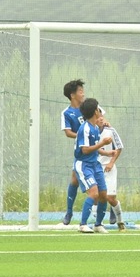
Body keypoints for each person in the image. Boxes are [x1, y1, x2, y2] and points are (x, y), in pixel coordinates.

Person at [74, 98, 112, 234]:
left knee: (103, 194)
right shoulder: (85, 128)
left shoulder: (95, 127)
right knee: (94, 193)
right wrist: (103, 143)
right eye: (98, 108)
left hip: (95, 164)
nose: (100, 111)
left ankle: (98, 224)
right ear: (95, 111)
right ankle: (82, 224)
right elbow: (85, 150)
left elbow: (94, 148)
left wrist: (107, 153)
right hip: (84, 165)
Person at [60, 79, 86, 226]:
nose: (83, 93)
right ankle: (69, 212)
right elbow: (68, 132)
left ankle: (112, 210)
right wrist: (83, 135)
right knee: (75, 179)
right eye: (80, 91)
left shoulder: (89, 106)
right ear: (72, 95)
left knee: (103, 179)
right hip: (81, 149)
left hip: (98, 147)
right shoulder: (67, 113)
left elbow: (101, 118)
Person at [96, 116, 126, 231]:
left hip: (109, 168)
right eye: (98, 116)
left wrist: (111, 162)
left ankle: (120, 221)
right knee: (96, 196)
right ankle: (99, 223)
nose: (101, 118)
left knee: (110, 197)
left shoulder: (110, 130)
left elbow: (119, 147)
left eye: (102, 116)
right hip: (95, 167)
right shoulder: (89, 130)